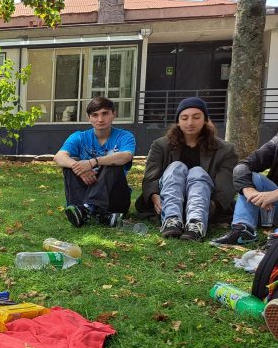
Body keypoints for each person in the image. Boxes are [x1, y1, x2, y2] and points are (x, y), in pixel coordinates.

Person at [136, 97, 237, 241]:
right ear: (178, 121)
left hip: (204, 203)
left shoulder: (225, 150)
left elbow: (225, 187)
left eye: (196, 117)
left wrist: (209, 207)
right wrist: (155, 197)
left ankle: (196, 224)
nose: (190, 123)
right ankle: (171, 220)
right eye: (184, 118)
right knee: (176, 167)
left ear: (205, 120)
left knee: (197, 172)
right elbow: (151, 177)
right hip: (168, 200)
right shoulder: (161, 145)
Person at [53, 96, 136, 228]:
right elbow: (59, 157)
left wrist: (93, 162)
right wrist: (79, 168)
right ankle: (90, 211)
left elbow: (126, 156)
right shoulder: (79, 136)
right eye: (95, 115)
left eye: (105, 114)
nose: (100, 119)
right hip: (84, 191)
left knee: (112, 162)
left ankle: (86, 209)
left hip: (114, 199)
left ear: (114, 114)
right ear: (89, 117)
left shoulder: (125, 136)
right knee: (71, 163)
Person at [211, 133, 278, 245]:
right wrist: (249, 191)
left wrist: (275, 194)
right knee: (250, 176)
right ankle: (244, 230)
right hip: (271, 209)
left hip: (274, 198)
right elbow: (242, 166)